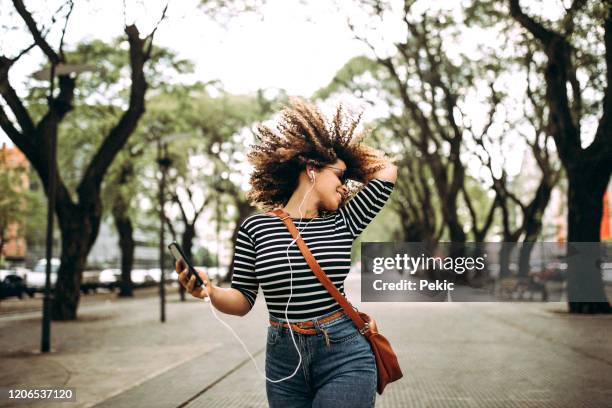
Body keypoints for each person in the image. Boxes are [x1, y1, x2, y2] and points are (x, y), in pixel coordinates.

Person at [176, 98, 397, 407]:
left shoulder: (344, 221)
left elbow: (386, 170)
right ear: (311, 169)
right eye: (341, 177)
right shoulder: (256, 228)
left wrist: (340, 155)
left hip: (344, 353)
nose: (347, 187)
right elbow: (242, 301)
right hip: (282, 359)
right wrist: (209, 291)